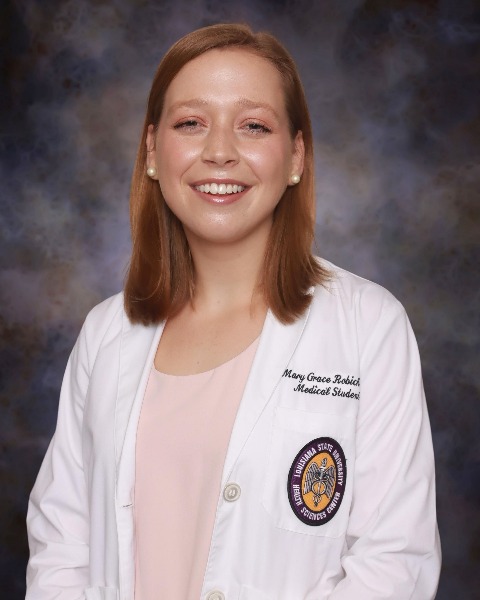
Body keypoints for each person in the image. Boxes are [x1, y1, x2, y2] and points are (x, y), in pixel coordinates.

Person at [26, 23, 441, 600]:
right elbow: (61, 548)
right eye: (191, 123)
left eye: (253, 126)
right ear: (152, 151)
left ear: (295, 156)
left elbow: (393, 563)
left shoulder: (369, 327)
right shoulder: (105, 333)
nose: (219, 151)